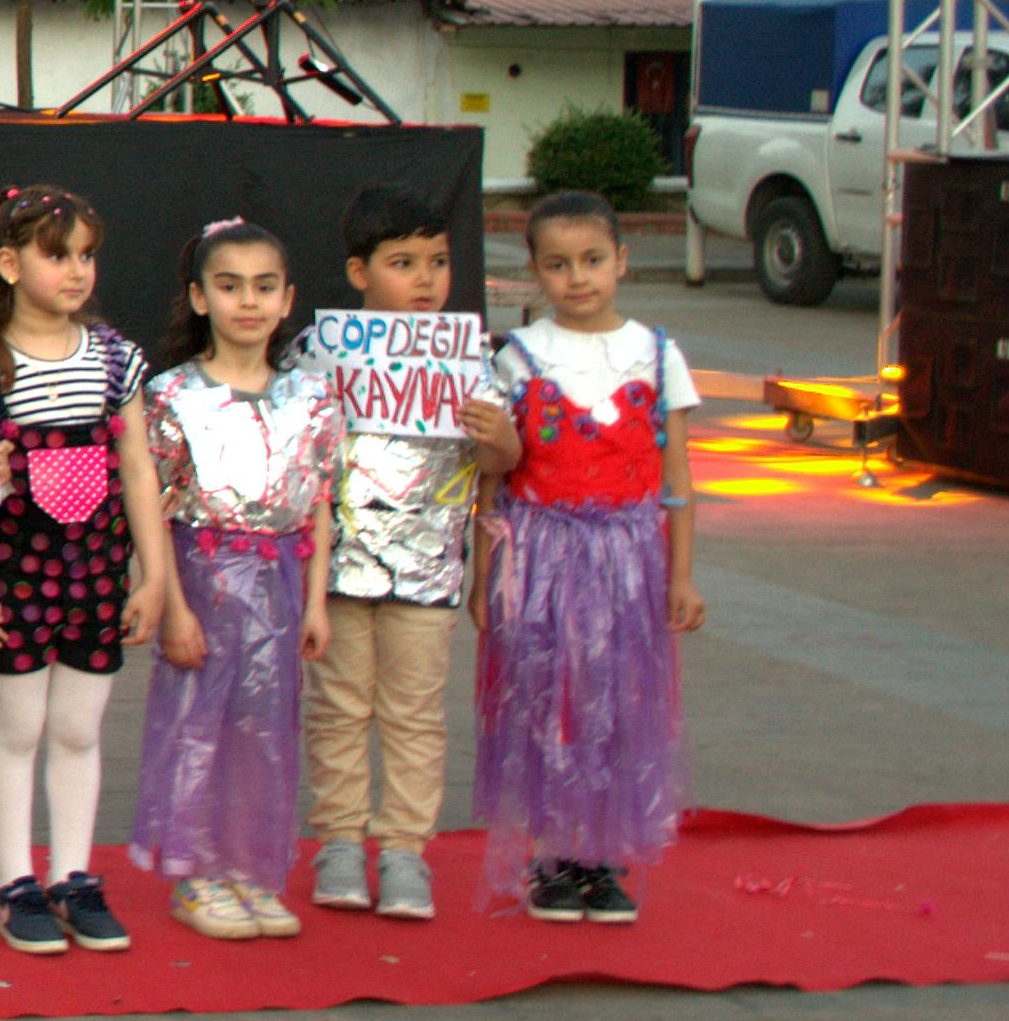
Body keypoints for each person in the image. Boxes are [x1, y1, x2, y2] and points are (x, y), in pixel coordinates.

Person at [481, 190, 705, 926]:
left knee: (618, 702)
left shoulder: (657, 353)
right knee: (549, 700)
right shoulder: (518, 357)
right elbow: (492, 474)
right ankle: (551, 855)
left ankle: (603, 856)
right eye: (558, 264)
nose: (577, 278)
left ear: (621, 261)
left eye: (592, 260)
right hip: (540, 555)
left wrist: (680, 575)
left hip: (629, 559)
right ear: (534, 270)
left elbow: (678, 477)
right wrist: (484, 578)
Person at [0, 183, 166, 961]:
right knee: (18, 728)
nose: (77, 270)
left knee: (79, 728)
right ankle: (15, 882)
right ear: (11, 265)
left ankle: (74, 875)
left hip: (97, 569)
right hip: (14, 569)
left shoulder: (116, 359)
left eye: (86, 255)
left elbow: (138, 470)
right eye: (58, 255)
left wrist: (153, 575)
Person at [303, 187, 520, 923]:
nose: (426, 279)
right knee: (338, 707)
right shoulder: (319, 355)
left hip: (429, 574)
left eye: (438, 261)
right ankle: (339, 840)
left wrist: (500, 440)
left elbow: (499, 468)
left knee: (416, 713)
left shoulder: (474, 362)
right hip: (335, 571)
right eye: (403, 263)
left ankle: (403, 848)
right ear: (358, 272)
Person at [129, 220, 345, 943]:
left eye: (263, 287)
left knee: (265, 728)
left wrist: (316, 601)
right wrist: (172, 606)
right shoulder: (170, 396)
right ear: (200, 297)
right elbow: (154, 507)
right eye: (229, 286)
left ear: (287, 299)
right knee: (198, 724)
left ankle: (250, 866)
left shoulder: (311, 397)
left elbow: (321, 500)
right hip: (202, 577)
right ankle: (196, 871)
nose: (247, 302)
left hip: (280, 581)